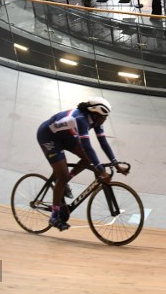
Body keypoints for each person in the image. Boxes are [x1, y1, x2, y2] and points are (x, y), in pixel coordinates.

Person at [36, 97, 128, 231]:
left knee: (87, 160)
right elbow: (87, 147)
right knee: (62, 176)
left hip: (66, 135)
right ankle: (54, 216)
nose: (106, 119)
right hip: (48, 136)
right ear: (95, 114)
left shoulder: (96, 121)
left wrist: (116, 164)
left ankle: (65, 179)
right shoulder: (81, 119)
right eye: (104, 116)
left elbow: (103, 142)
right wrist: (101, 170)